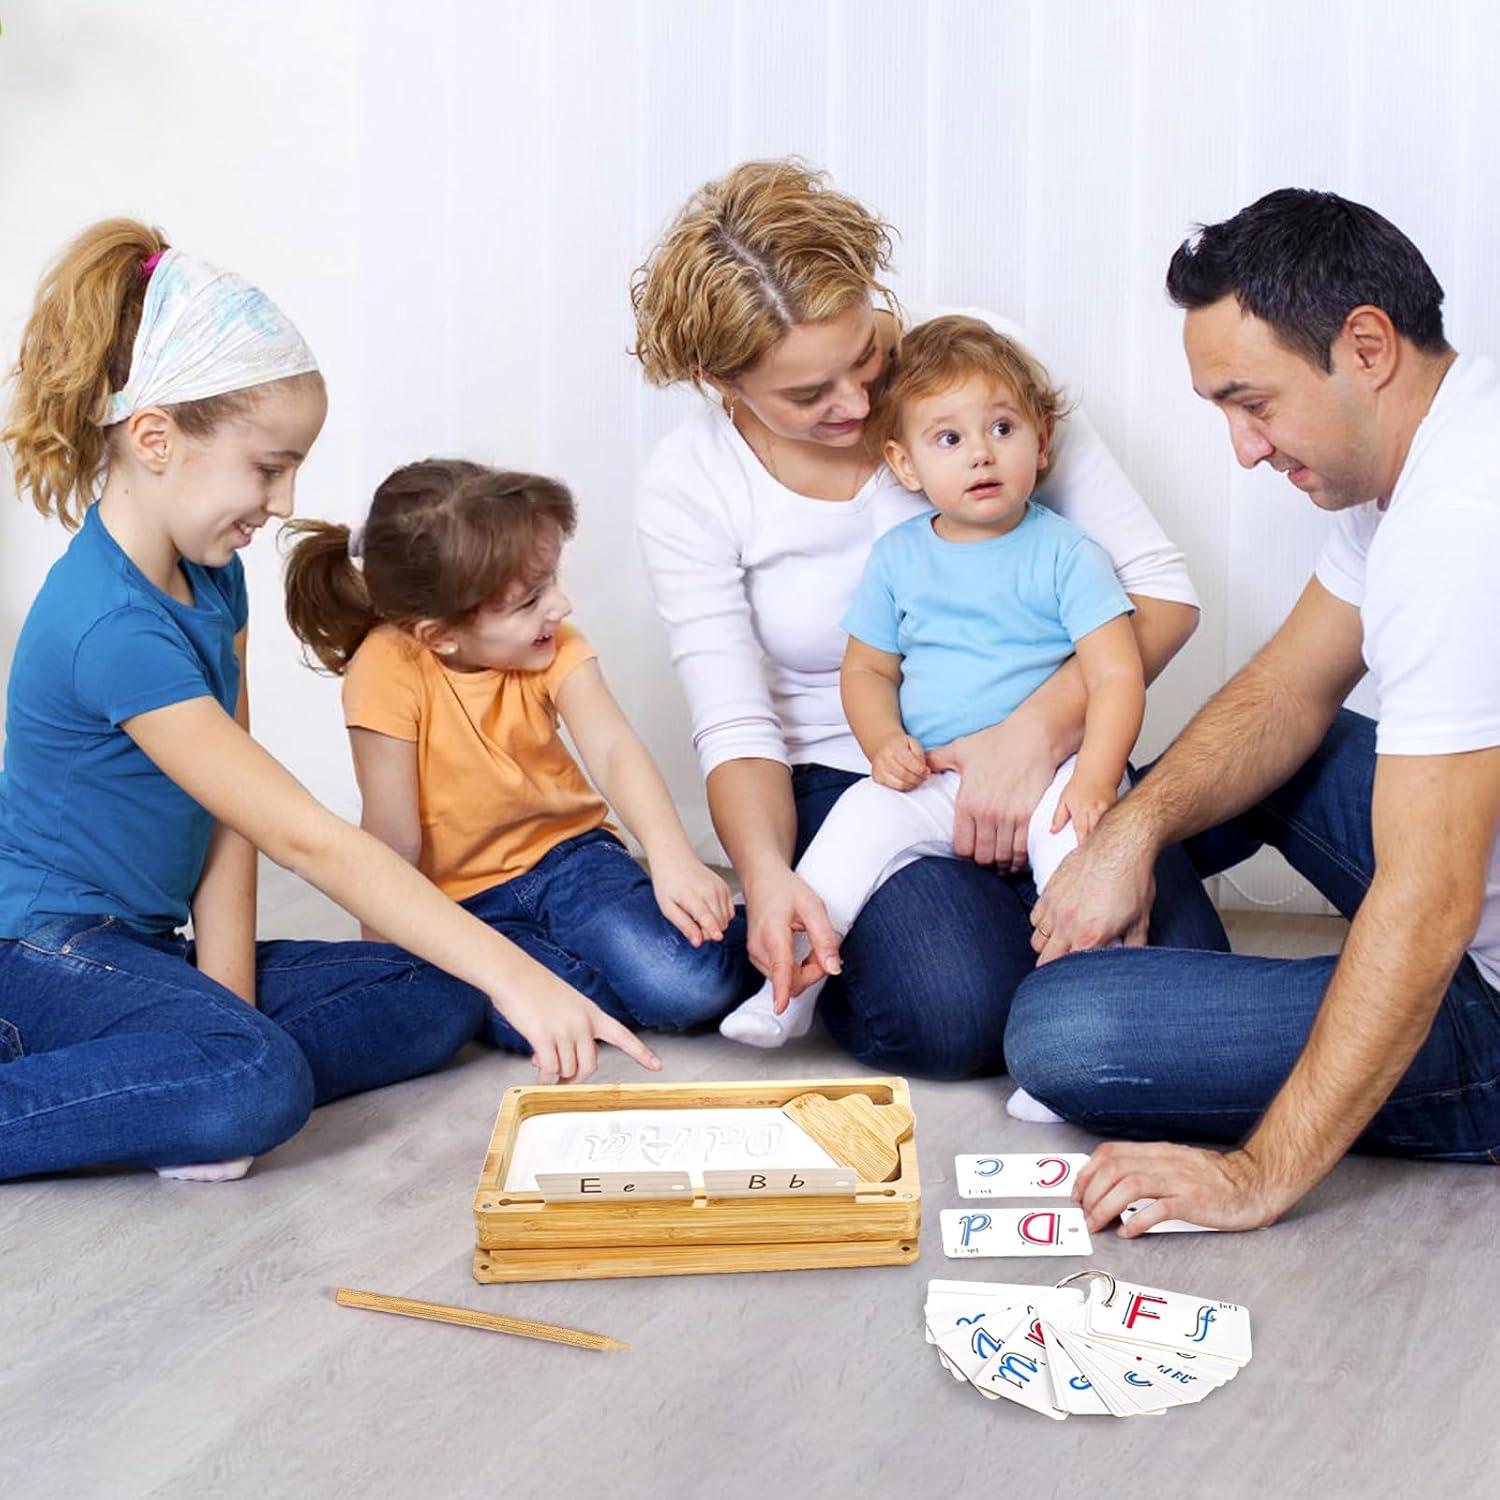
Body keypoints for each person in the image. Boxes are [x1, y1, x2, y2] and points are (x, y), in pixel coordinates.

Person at [0, 220, 658, 1185]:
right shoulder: (111, 629)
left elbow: (231, 825)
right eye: (269, 466)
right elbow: (303, 835)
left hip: (149, 949)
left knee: (439, 990)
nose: (284, 498)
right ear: (155, 440)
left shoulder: (210, 578)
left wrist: (225, 998)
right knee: (252, 1084)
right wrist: (519, 975)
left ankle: (171, 1077)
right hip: (41, 951)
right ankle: (182, 1082)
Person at [632, 159, 1227, 1079]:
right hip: (860, 769)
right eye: (808, 395)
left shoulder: (978, 380)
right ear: (720, 382)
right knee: (955, 1016)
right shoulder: (690, 481)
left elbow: (1158, 593)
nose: (859, 405)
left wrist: (1029, 738)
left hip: (1058, 739)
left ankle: (1017, 938)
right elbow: (737, 721)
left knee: (1185, 979)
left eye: (864, 354)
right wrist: (767, 875)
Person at [1006, 188, 1500, 1233]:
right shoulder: (1439, 441)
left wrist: (1257, 1174)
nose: (1243, 447)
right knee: (1279, 751)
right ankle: (1113, 905)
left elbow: (1427, 901)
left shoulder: (1461, 529)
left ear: (1366, 345)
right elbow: (1288, 688)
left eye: (1254, 402)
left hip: (1483, 985)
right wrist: (1129, 831)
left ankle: (1167, 987)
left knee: (1068, 1031)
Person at [719, 316, 1143, 1062]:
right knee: (853, 829)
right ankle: (792, 990)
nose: (980, 453)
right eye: (948, 439)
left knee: (1077, 869)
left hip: (1054, 771)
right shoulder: (899, 557)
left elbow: (1115, 675)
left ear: (1042, 442)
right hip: (938, 773)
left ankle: (1076, 1044)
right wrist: (884, 744)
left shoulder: (1066, 553)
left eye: (1003, 428)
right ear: (904, 464)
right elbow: (869, 670)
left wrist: (1097, 781)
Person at [283, 460, 755, 1051]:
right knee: (526, 1020)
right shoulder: (384, 669)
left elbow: (612, 751)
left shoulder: (554, 646)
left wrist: (672, 858)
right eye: (531, 599)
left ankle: (749, 929)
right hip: (462, 901)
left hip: (572, 858)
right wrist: (389, 954)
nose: (561, 605)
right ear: (440, 635)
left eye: (552, 581)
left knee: (686, 989)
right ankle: (616, 970)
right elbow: (391, 833)